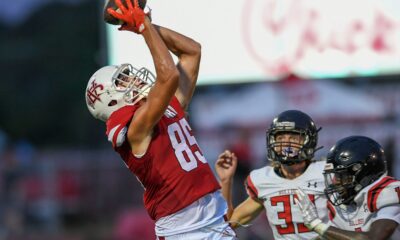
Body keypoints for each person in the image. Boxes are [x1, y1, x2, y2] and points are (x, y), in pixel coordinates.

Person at [85, 0, 235, 239]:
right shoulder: (136, 129)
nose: (133, 79)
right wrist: (143, 27)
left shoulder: (162, 108)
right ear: (110, 100)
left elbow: (192, 51)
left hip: (214, 215)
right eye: (122, 81)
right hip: (183, 228)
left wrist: (149, 26)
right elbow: (169, 76)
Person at [216, 110, 328, 239]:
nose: (286, 143)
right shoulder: (263, 180)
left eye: (293, 137)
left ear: (308, 140)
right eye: (280, 138)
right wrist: (226, 181)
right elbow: (228, 224)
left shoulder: (326, 174)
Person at [296, 136, 400, 240]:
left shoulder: (388, 191)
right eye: (335, 176)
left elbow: (374, 238)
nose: (334, 181)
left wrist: (317, 225)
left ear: (363, 174)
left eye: (341, 175)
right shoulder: (339, 204)